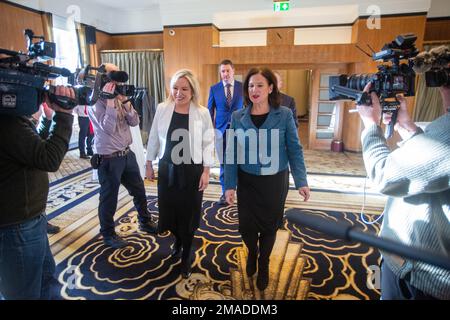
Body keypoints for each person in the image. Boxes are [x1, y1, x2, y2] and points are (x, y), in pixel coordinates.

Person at [356, 83, 450, 300]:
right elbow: (437, 170)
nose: (441, 89)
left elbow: (384, 176)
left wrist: (370, 125)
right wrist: (407, 127)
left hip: (423, 277)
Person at [224, 67, 311, 291]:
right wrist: (229, 185)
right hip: (248, 181)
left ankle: (264, 262)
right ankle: (253, 253)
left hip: (274, 181)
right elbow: (231, 153)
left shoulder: (284, 114)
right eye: (251, 86)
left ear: (271, 88)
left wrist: (301, 181)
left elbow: (294, 149)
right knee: (247, 228)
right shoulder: (238, 116)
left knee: (270, 227)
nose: (254, 89)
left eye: (260, 85)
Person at [0, 86, 75, 299]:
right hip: (16, 227)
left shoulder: (12, 119)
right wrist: (64, 116)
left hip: (29, 219)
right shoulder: (6, 123)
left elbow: (32, 150)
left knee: (45, 279)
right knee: (24, 292)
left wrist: (48, 119)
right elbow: (48, 159)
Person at [146, 69, 215, 279]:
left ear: (193, 90)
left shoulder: (202, 112)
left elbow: (208, 142)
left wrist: (206, 170)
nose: (179, 93)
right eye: (175, 88)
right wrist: (149, 162)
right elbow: (154, 138)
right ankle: (177, 238)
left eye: (184, 89)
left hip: (192, 170)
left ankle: (186, 254)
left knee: (189, 213)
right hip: (168, 169)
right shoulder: (162, 108)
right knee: (170, 211)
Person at [89, 63, 157, 249]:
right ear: (104, 78)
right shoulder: (94, 103)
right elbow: (108, 129)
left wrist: (125, 100)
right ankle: (108, 234)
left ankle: (145, 221)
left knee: (139, 191)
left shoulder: (121, 97)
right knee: (109, 199)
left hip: (127, 155)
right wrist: (110, 103)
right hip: (109, 159)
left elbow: (135, 121)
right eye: (113, 76)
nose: (118, 80)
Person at [208, 60, 244, 205]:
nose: (225, 74)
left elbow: (249, 108)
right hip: (220, 131)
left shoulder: (243, 87)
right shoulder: (214, 89)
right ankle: (225, 192)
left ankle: (240, 191)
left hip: (240, 130)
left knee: (239, 162)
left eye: (228, 70)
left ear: (233, 71)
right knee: (224, 163)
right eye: (222, 71)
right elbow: (209, 110)